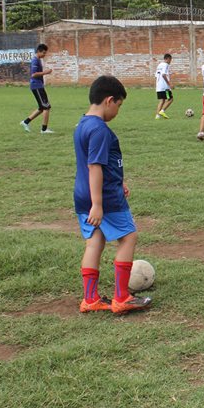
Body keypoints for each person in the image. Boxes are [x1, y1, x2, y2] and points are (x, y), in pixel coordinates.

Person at [74, 75, 152, 315]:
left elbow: (101, 163)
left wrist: (120, 181)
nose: (117, 111)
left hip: (83, 194)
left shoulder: (82, 124)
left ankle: (90, 299)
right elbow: (95, 166)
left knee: (95, 241)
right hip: (103, 197)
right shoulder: (100, 130)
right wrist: (98, 204)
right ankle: (122, 297)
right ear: (109, 101)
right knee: (129, 237)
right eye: (119, 105)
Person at [21, 43, 54, 134]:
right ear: (38, 51)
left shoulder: (38, 60)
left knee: (42, 107)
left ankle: (25, 122)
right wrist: (46, 72)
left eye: (45, 53)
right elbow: (34, 74)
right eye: (43, 53)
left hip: (37, 85)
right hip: (37, 86)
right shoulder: (35, 60)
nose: (44, 54)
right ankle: (44, 129)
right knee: (47, 107)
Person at [154, 53, 174, 119]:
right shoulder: (166, 65)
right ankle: (162, 111)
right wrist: (169, 84)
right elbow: (163, 74)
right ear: (167, 59)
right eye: (170, 60)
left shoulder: (159, 65)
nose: (170, 61)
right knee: (170, 99)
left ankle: (157, 116)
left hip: (159, 86)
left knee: (162, 100)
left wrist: (157, 85)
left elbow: (156, 76)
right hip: (165, 87)